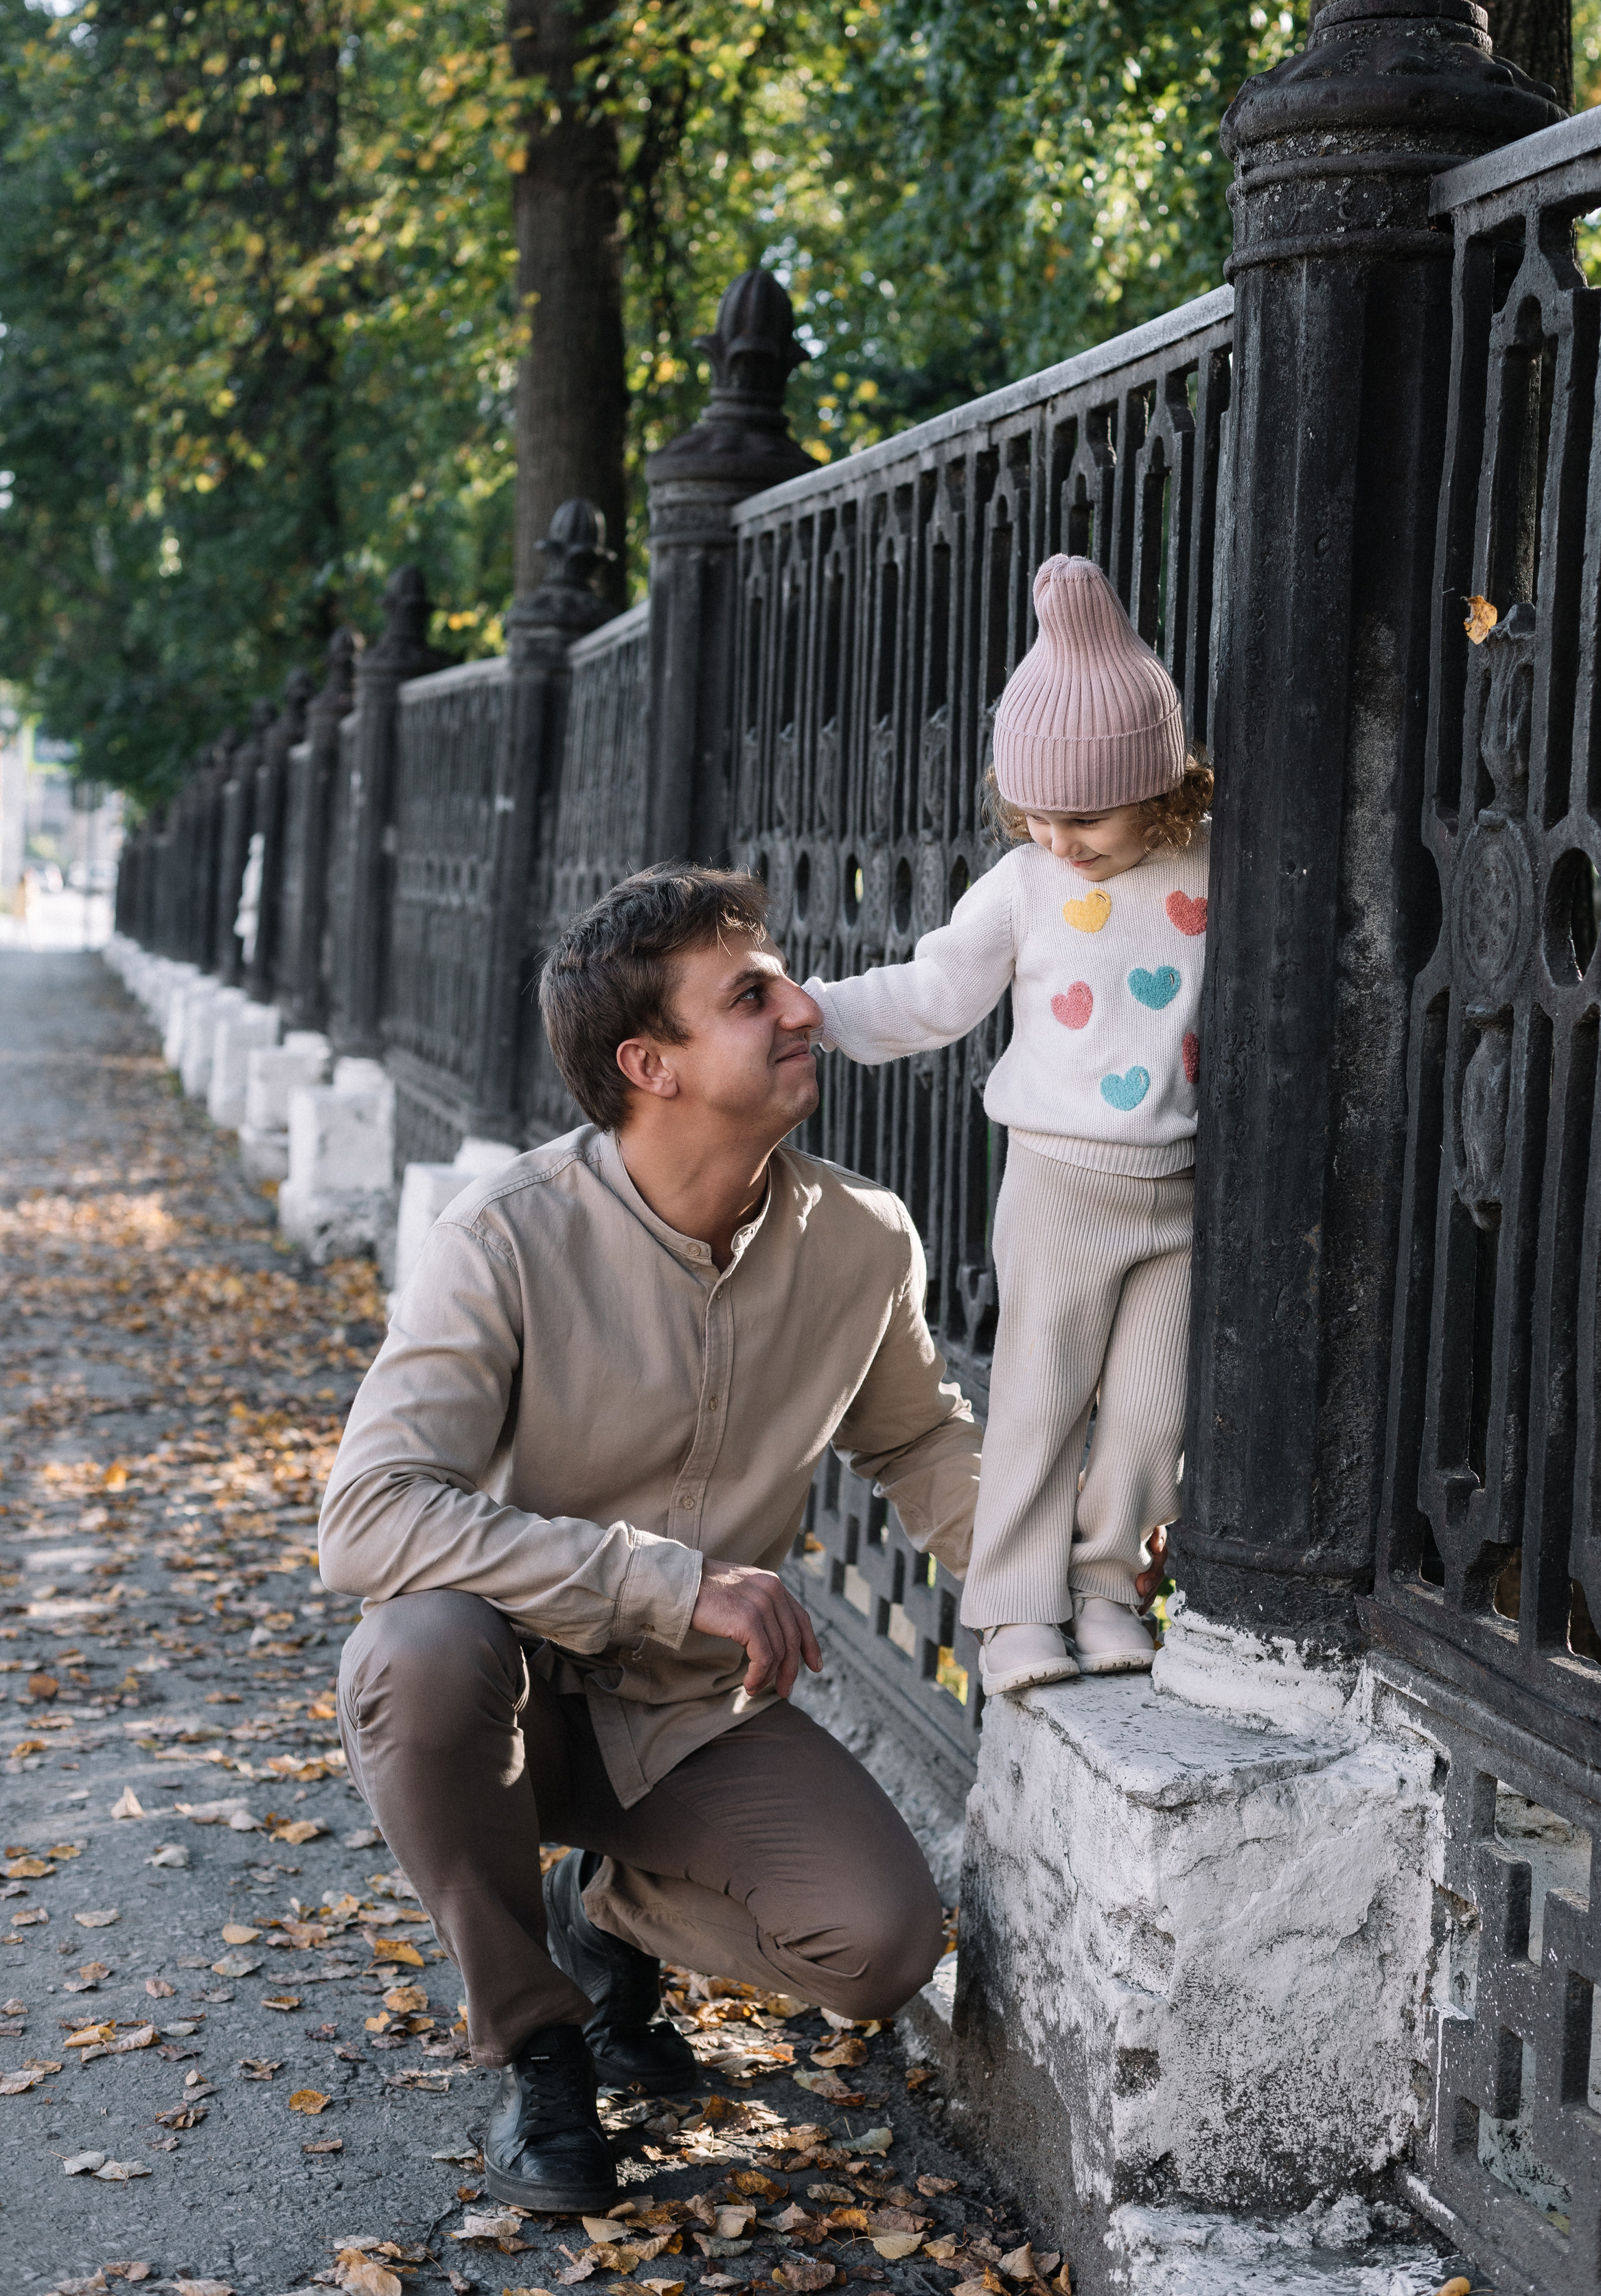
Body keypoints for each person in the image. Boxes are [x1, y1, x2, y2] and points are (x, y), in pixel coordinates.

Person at [317, 866, 984, 2214]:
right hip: (509, 1685)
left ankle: (603, 1909)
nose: (807, 1007)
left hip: (689, 1715)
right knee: (419, 1649)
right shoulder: (506, 1236)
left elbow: (919, 1443)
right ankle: (541, 2042)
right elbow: (367, 1514)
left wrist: (1061, 1569)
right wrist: (663, 1583)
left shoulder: (861, 1239)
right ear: (650, 1064)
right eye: (752, 996)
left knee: (879, 1946)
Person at [805, 554, 1211, 1700]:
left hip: (1183, 1190)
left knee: (1148, 1410)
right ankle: (1016, 1607)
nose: (1058, 835)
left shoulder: (1217, 863)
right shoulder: (1025, 884)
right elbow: (936, 993)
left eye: (1085, 812)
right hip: (1061, 1183)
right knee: (1041, 1392)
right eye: (1032, 810)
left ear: (1161, 784)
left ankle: (1106, 1586)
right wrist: (822, 1013)